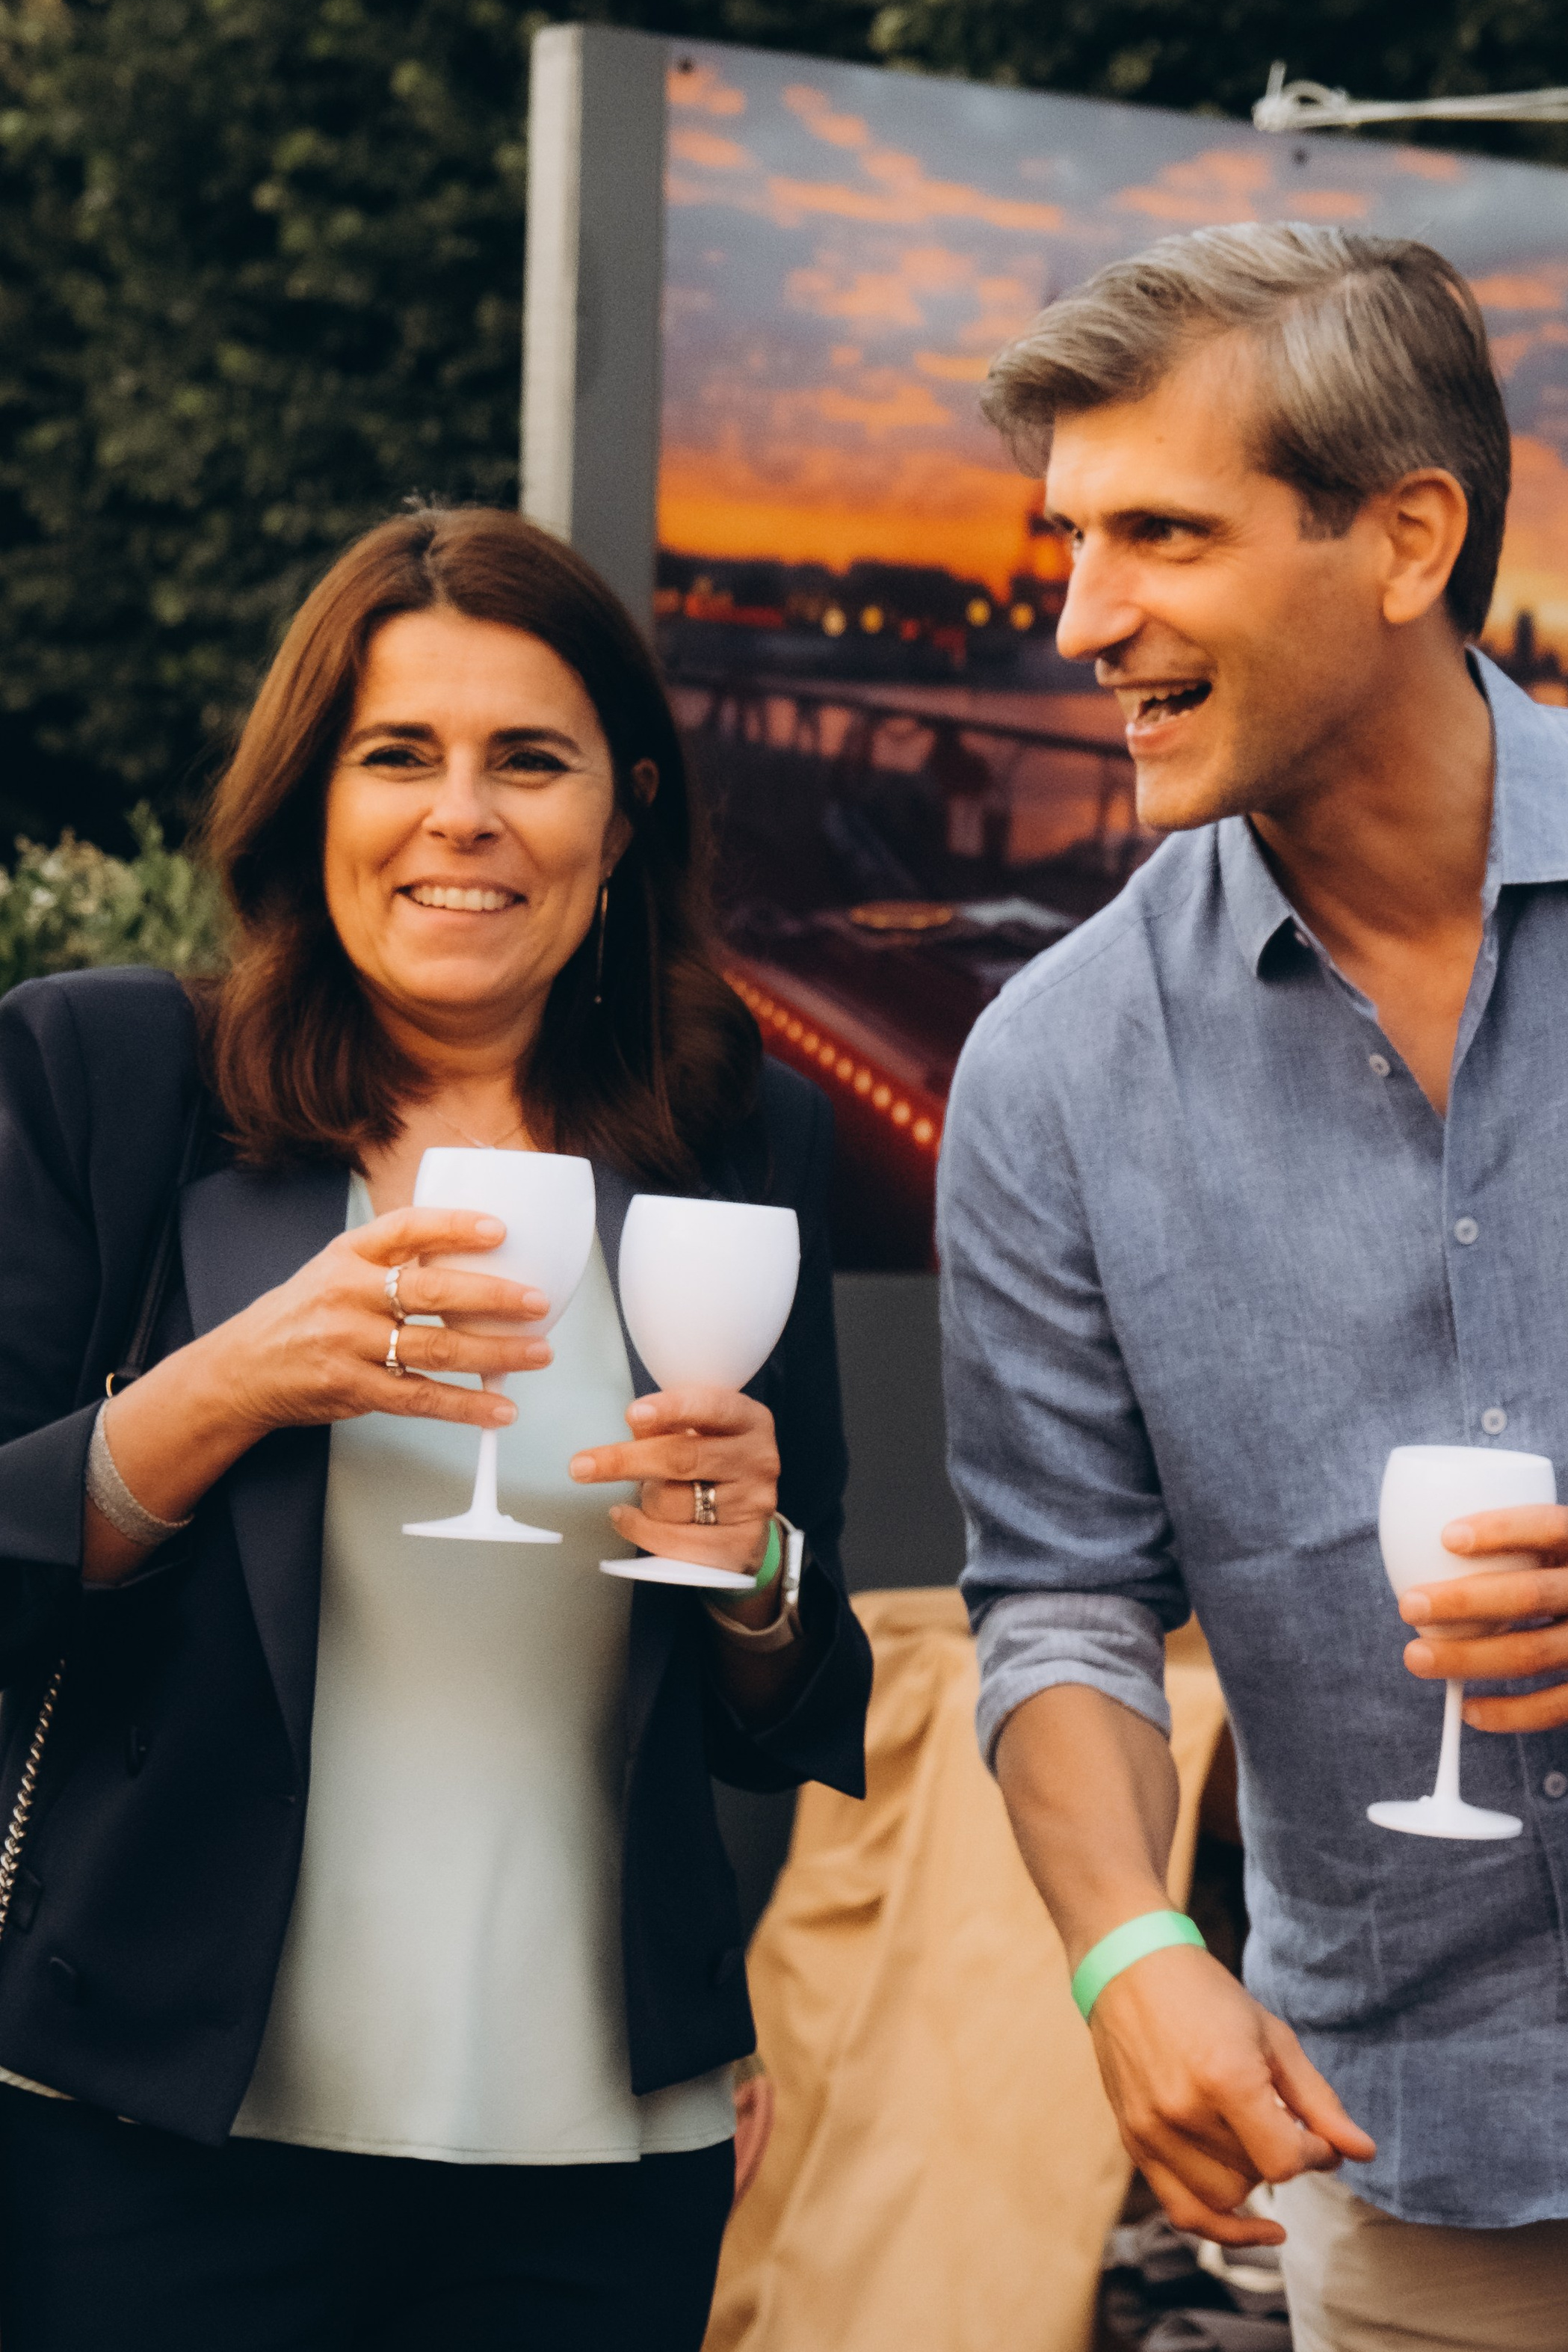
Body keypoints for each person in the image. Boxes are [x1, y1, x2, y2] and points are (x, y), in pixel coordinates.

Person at [937, 223, 1568, 2352]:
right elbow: (1060, 1597)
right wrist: (1128, 1949)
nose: (1084, 615)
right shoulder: (1048, 1068)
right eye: (1073, 536)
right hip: (1390, 2096)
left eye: (1159, 534)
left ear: (1406, 538)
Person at [0, 505, 870, 2352]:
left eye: (528, 761)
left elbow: (795, 1697)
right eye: (398, 755)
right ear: (310, 801)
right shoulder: (107, 1081)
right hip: (147, 2140)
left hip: (595, 2156)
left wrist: (758, 1574)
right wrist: (237, 1375)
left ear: (620, 819)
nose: (460, 815)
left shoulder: (742, 1150)